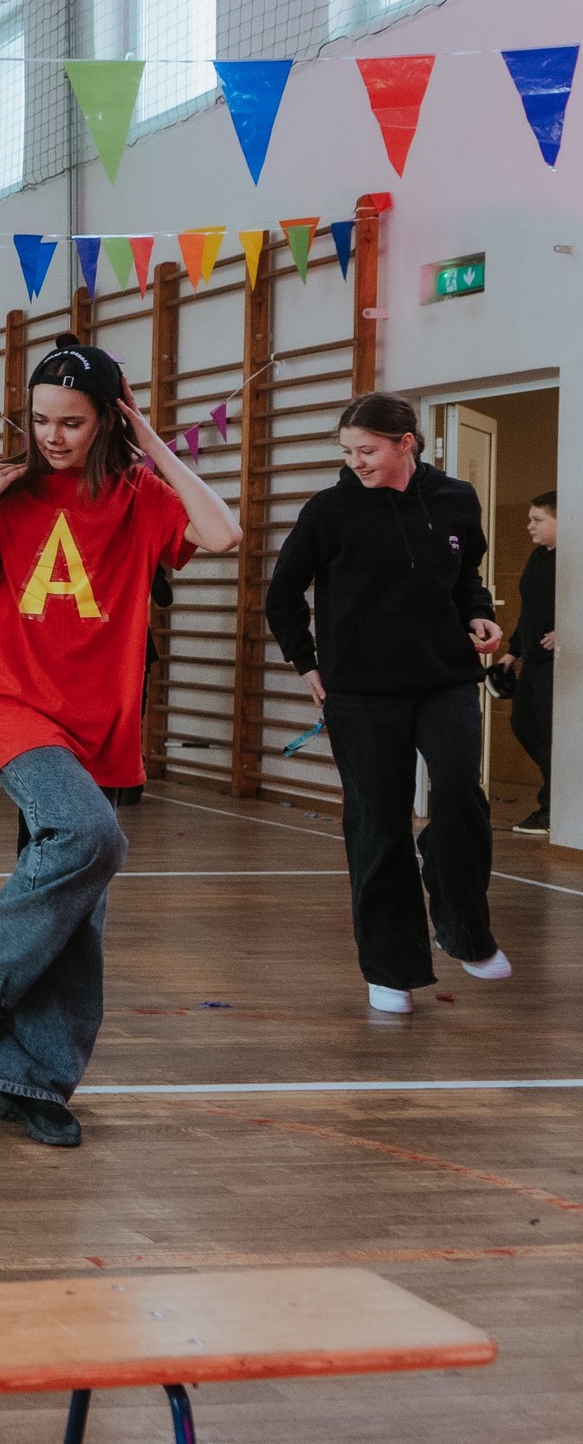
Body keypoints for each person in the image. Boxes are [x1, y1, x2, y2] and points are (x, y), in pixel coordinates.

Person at [0, 335, 239, 1147]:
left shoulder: (141, 496)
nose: (51, 435)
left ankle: (30, 1082)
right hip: (17, 706)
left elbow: (222, 533)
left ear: (107, 419)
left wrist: (150, 440)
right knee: (92, 836)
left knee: (78, 909)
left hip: (100, 724)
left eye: (71, 421)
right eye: (40, 418)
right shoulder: (5, 493)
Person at [264, 392, 511, 1015]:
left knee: (459, 794)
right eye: (347, 451)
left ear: (406, 443)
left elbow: (465, 577)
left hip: (445, 679)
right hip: (360, 692)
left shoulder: (456, 498)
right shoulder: (329, 510)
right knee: (378, 825)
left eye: (367, 450)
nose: (356, 462)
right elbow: (283, 594)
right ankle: (391, 969)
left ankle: (464, 931)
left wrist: (478, 615)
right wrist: (307, 664)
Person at [511, 490, 555, 836]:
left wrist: (568, 629)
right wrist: (512, 651)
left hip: (558, 663)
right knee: (523, 723)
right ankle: (565, 787)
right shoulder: (538, 556)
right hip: (533, 660)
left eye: (538, 520)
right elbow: (530, 610)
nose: (530, 526)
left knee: (551, 735)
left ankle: (551, 809)